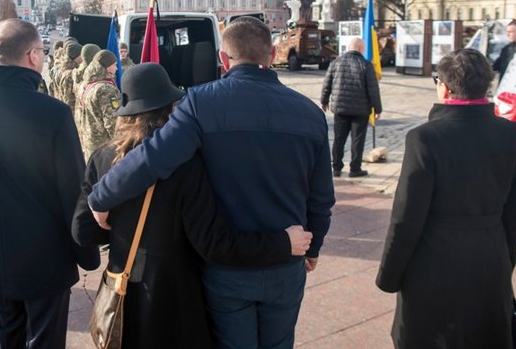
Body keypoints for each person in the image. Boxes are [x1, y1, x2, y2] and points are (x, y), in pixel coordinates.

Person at [87, 17, 335, 349]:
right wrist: (313, 246)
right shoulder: (311, 113)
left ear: (223, 58)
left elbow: (153, 158)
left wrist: (100, 196)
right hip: (286, 261)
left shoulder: (201, 102)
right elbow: (321, 199)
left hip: (228, 266)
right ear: (273, 53)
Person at [0, 19, 99, 349]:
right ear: (31, 55)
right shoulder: (53, 113)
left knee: (5, 336)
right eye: (41, 51)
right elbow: (73, 191)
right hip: (46, 254)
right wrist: (88, 253)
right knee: (45, 339)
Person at [376, 49, 516, 348]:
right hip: (490, 256)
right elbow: (515, 212)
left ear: (444, 87)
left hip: (434, 262)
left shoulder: (426, 138)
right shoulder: (514, 134)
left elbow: (406, 217)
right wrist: (504, 261)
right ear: (486, 86)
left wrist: (389, 276)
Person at [320, 38, 382, 178]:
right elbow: (373, 89)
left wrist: (324, 101)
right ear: (361, 49)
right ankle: (355, 169)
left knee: (339, 138)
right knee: (357, 140)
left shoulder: (336, 62)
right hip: (361, 110)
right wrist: (377, 109)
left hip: (340, 109)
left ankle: (336, 168)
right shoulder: (366, 65)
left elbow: (327, 83)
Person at [79, 50, 120, 160]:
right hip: (105, 148)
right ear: (106, 67)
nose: (116, 68)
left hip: (90, 145)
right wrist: (122, 145)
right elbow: (112, 123)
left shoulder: (86, 85)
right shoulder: (106, 89)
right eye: (114, 65)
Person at [493, 19, 516, 83]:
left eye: (511, 32)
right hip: (505, 87)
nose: (508, 34)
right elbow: (496, 66)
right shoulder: (506, 49)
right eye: (507, 32)